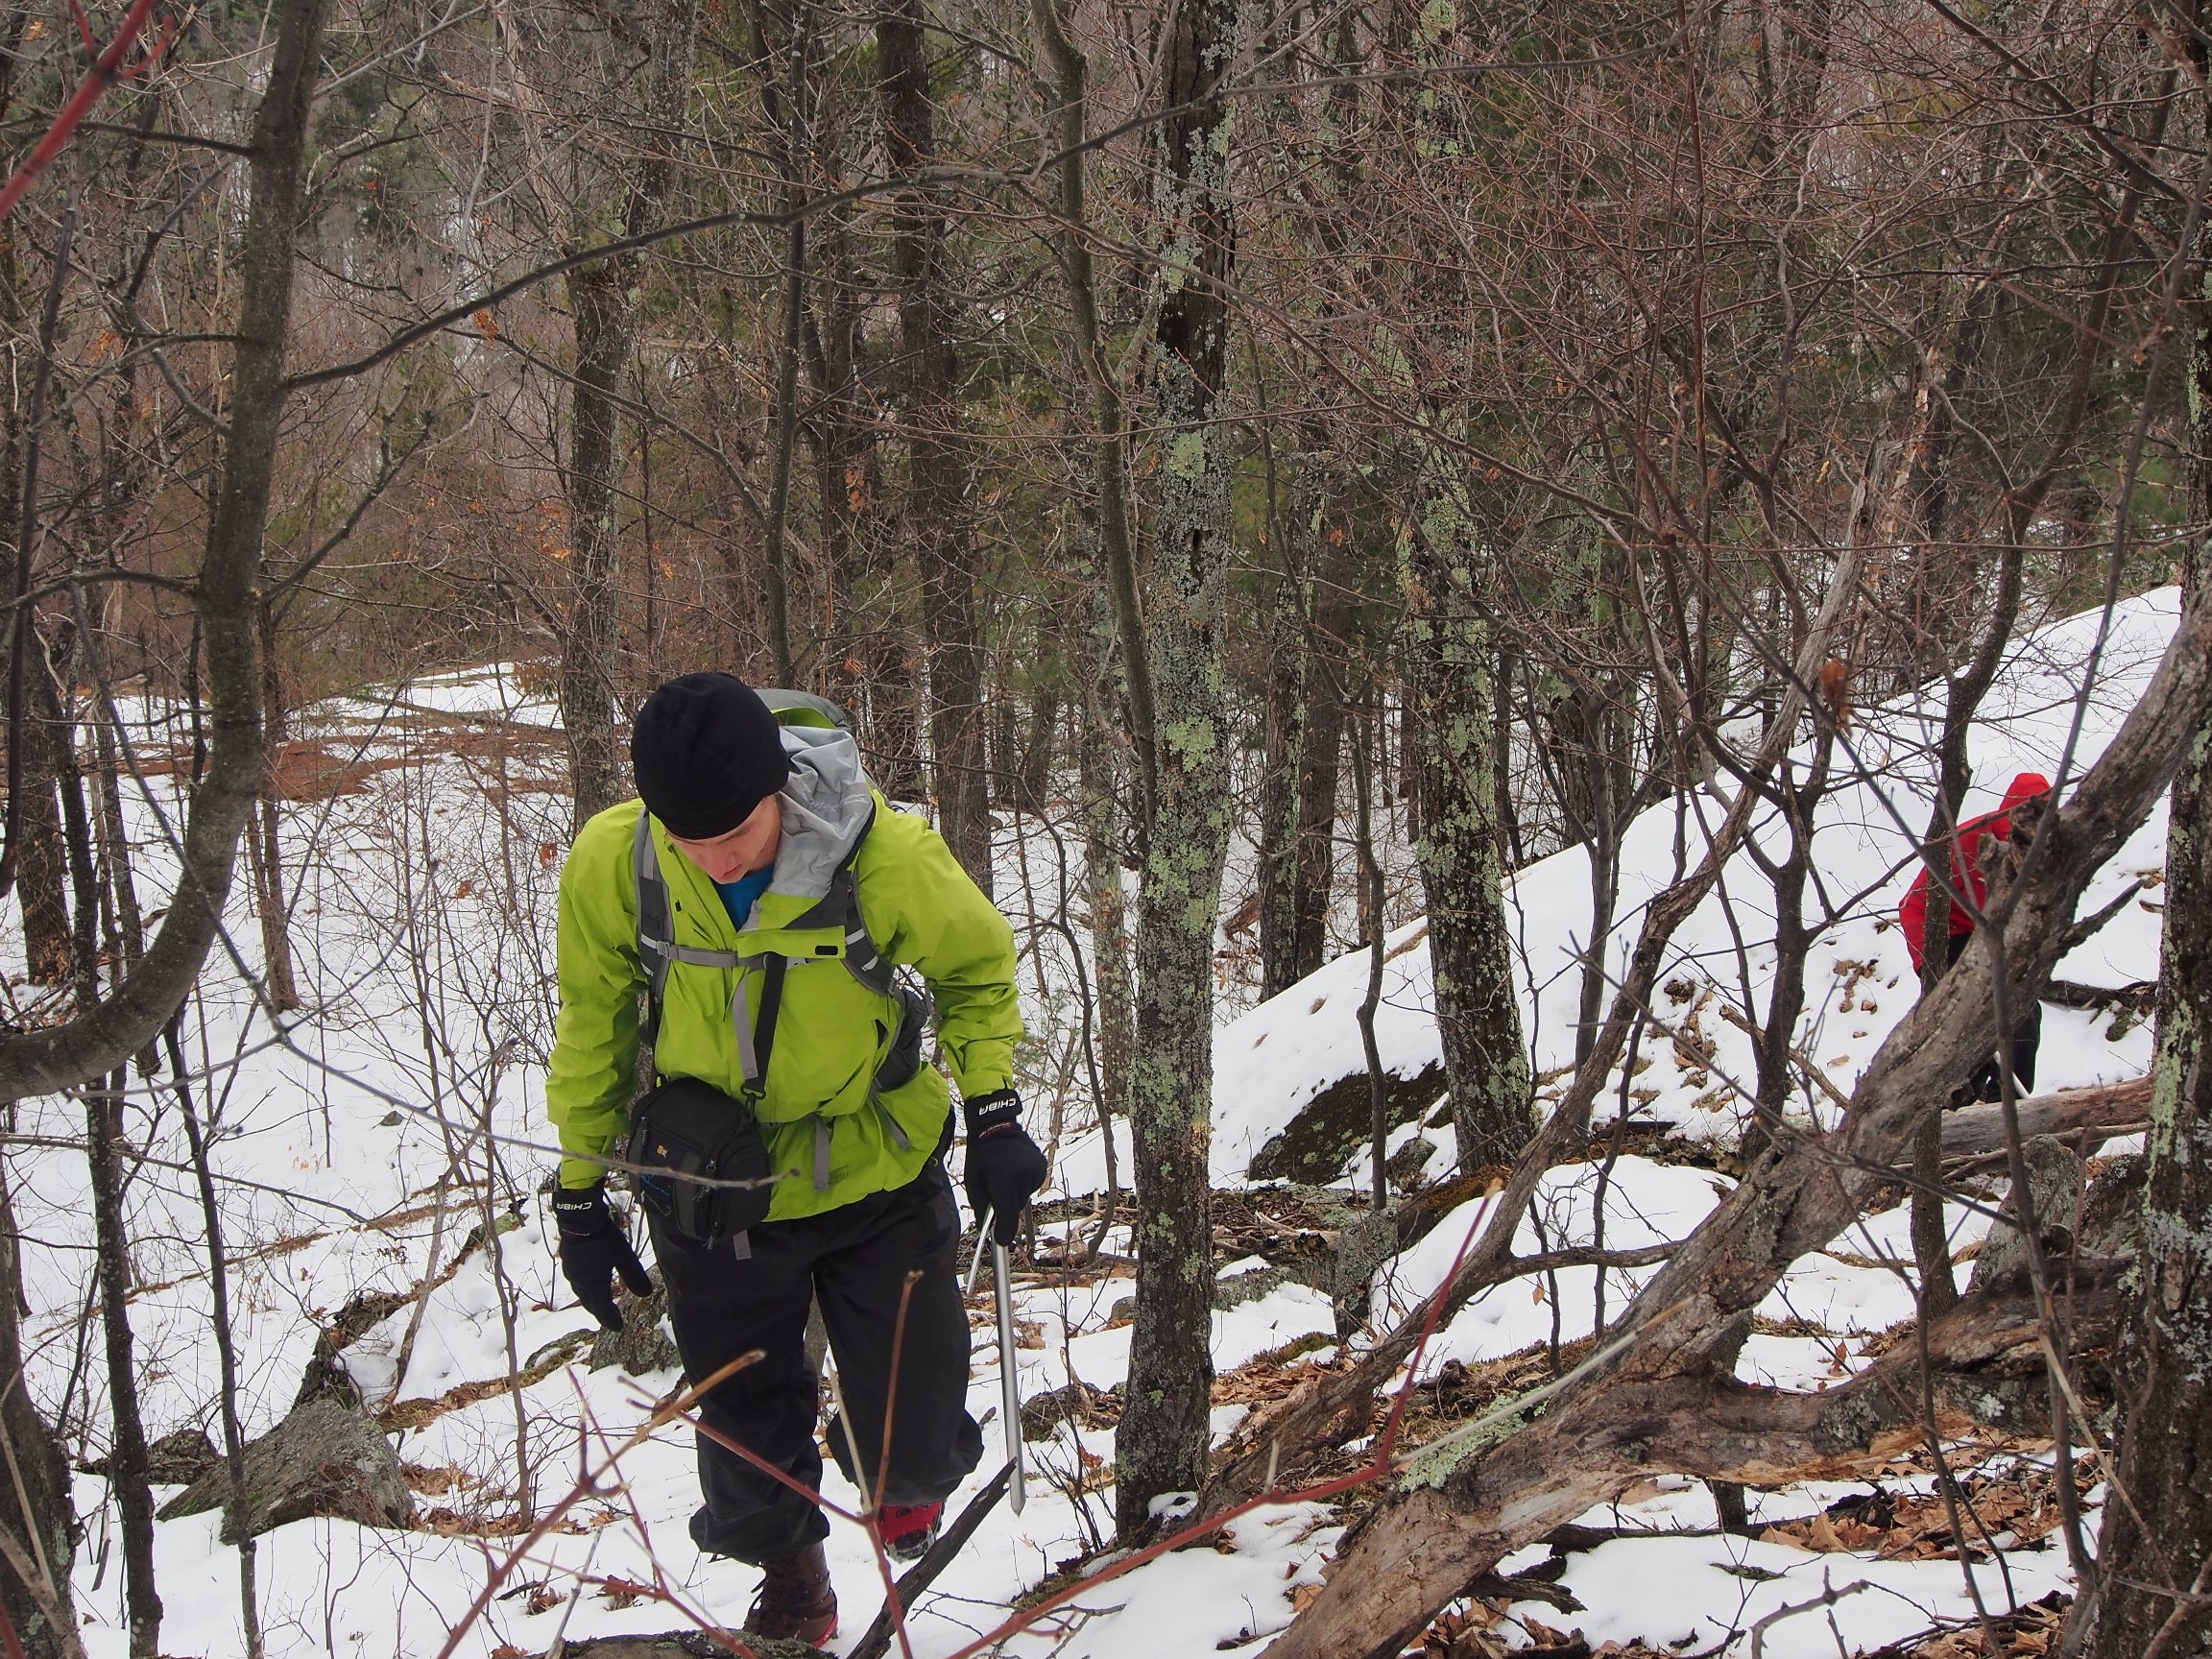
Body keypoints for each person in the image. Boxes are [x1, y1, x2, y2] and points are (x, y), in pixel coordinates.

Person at [541, 671, 1048, 1645]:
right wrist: (578, 1192)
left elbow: (976, 967)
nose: (718, 860)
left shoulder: (881, 853)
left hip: (876, 1165)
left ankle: (899, 1487)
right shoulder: (618, 862)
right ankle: (795, 1581)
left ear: (777, 786)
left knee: (914, 1442)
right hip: (716, 1187)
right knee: (744, 1436)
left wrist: (993, 1111)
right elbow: (593, 1029)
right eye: (691, 840)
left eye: (737, 833)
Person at [1898, 769, 2053, 1100]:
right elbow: (1911, 905)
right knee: (1972, 1012)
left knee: (2025, 1010)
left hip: (1983, 934)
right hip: (1944, 932)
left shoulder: (2041, 846)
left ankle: (2005, 1101)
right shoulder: (1976, 844)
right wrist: (1929, 964)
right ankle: (1959, 1096)